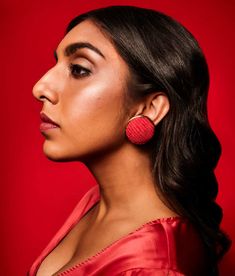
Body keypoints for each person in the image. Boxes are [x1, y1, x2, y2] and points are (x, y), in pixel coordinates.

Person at [28, 5, 231, 276]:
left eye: (78, 69)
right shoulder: (97, 202)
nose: (40, 87)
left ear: (149, 108)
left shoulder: (155, 266)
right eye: (57, 64)